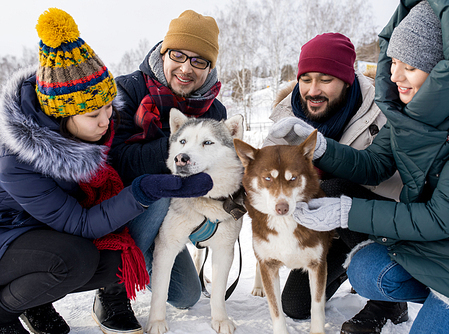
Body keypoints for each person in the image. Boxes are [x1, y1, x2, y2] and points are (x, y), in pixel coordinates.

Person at [267, 0, 449, 333]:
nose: (394, 75)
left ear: (445, 70)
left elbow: (441, 216)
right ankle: (428, 294)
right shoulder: (412, 108)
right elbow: (375, 163)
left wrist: (346, 212)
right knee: (364, 268)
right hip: (436, 244)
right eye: (394, 61)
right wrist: (319, 146)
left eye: (411, 66)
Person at [0, 8, 212, 334]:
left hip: (49, 230)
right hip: (10, 237)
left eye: (108, 109)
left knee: (114, 260)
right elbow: (82, 223)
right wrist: (146, 188)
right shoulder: (17, 160)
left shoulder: (94, 127)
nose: (106, 121)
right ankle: (5, 309)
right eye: (93, 115)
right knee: (75, 258)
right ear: (62, 116)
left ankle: (37, 296)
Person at [264, 32, 406, 332]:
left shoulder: (381, 109)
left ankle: (389, 301)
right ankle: (345, 268)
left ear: (347, 80)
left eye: (326, 79)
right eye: (306, 79)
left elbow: (390, 179)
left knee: (332, 188)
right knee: (296, 306)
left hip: (375, 217)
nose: (313, 90)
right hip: (323, 227)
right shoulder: (287, 116)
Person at [109, 9, 225, 311]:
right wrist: (180, 144)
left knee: (187, 296)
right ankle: (112, 288)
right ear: (164, 53)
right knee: (158, 189)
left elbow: (217, 170)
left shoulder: (215, 112)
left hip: (176, 214)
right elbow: (117, 160)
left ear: (209, 67)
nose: (187, 68)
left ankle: (147, 256)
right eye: (179, 55)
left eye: (199, 60)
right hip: (122, 210)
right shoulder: (127, 89)